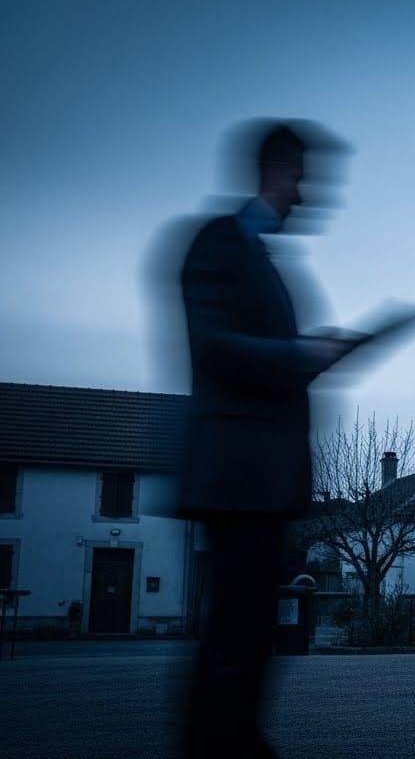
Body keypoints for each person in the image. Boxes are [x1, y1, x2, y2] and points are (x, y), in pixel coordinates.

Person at [176, 120, 357, 759]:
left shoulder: (261, 258)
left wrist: (311, 354)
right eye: (300, 178)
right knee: (234, 635)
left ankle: (237, 743)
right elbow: (215, 347)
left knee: (250, 634)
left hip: (263, 479)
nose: (306, 195)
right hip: (237, 477)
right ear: (274, 171)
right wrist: (302, 354)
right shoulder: (218, 244)